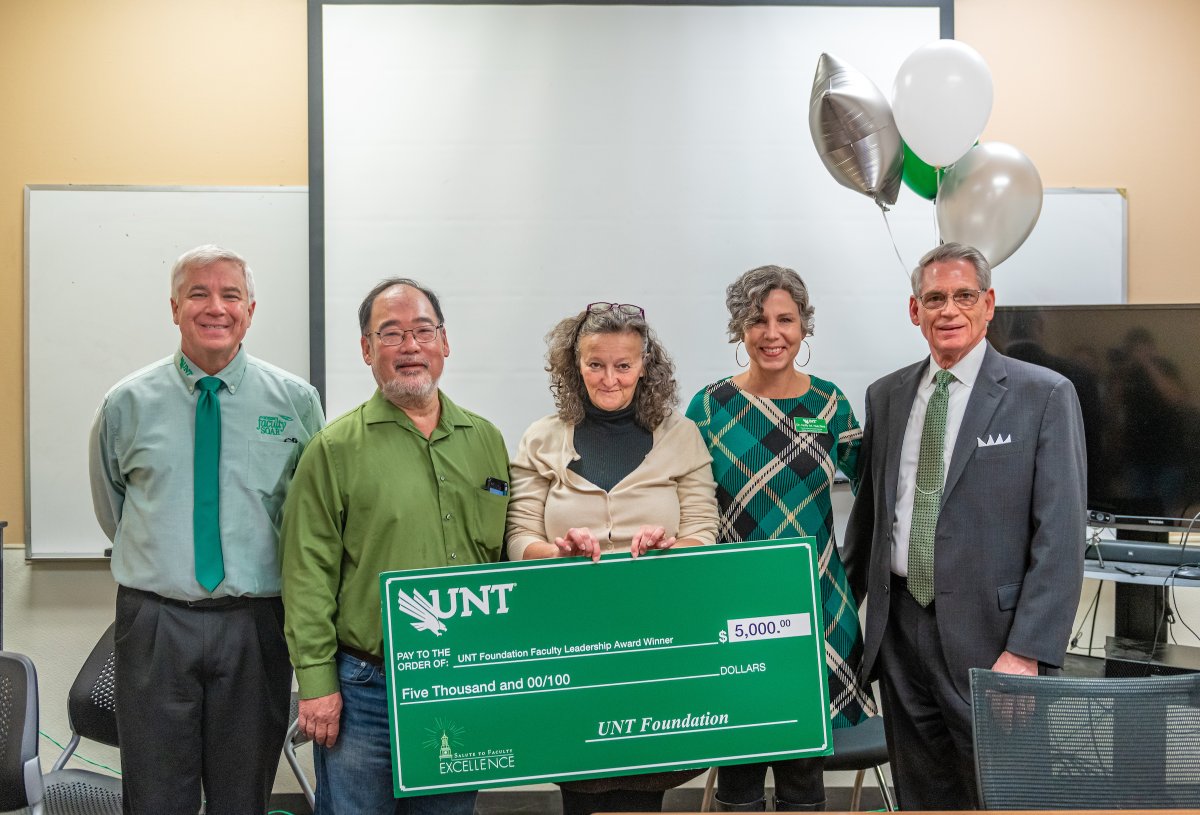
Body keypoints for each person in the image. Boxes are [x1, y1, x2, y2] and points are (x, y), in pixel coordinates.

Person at [842, 242, 1087, 810]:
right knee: (923, 795)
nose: (948, 310)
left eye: (963, 296)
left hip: (993, 640)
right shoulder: (886, 396)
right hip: (900, 633)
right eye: (934, 298)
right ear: (914, 311)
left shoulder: (1044, 394)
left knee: (1004, 795)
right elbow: (872, 519)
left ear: (988, 304)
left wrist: (1027, 650)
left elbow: (1061, 537)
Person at [89, 244, 325, 814]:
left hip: (255, 624)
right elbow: (113, 506)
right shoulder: (126, 403)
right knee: (153, 796)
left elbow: (311, 517)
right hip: (155, 623)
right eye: (198, 293)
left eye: (230, 295)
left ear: (250, 309)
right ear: (174, 307)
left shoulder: (295, 401)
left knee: (242, 795)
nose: (214, 307)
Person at [281, 278, 510, 815]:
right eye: (390, 334)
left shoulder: (488, 441)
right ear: (366, 349)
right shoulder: (333, 450)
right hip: (366, 692)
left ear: (444, 342)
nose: (410, 346)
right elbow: (306, 576)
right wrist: (316, 685)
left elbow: (504, 558)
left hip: (462, 679)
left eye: (422, 330)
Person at [506, 301, 718, 814]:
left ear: (645, 366)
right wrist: (555, 552)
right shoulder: (541, 437)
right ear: (573, 366)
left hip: (659, 643)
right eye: (595, 364)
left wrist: (672, 549)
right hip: (568, 644)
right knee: (578, 773)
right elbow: (517, 538)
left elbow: (704, 535)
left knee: (648, 777)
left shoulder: (680, 435)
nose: (608, 378)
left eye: (623, 365)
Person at [686, 266, 875, 812]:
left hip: (814, 604)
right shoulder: (708, 408)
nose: (772, 333)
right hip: (734, 607)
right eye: (757, 320)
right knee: (740, 769)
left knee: (803, 771)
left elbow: (877, 491)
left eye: (785, 319)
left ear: (803, 326)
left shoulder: (830, 405)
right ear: (739, 330)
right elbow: (684, 502)